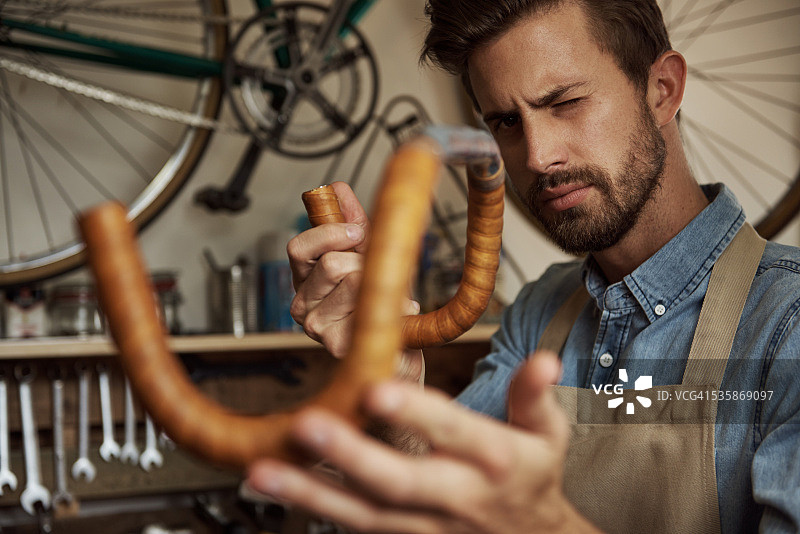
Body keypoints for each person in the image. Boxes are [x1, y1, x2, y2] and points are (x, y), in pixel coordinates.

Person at [246, 0, 800, 532]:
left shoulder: (787, 324)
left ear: (662, 90)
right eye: (507, 122)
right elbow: (442, 508)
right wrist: (394, 383)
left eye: (565, 102)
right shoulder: (541, 311)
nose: (536, 156)